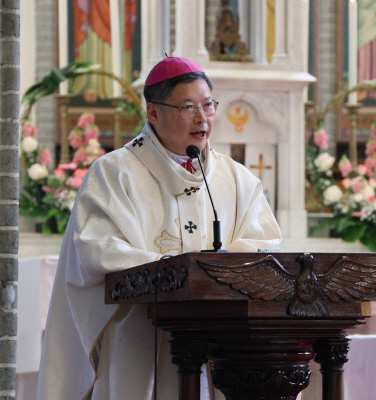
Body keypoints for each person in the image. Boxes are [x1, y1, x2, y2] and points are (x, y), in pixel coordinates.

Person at [36, 56, 282, 400]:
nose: (202, 119)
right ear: (153, 113)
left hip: (223, 343)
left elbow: (263, 245)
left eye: (208, 106)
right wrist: (176, 270)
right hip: (139, 340)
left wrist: (210, 274)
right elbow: (97, 251)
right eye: (187, 107)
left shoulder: (237, 179)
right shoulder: (114, 173)